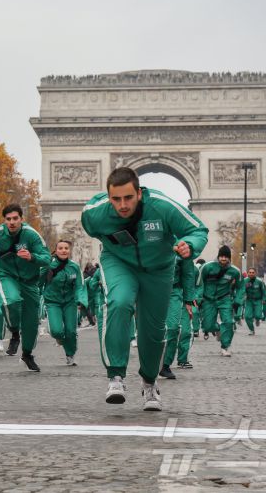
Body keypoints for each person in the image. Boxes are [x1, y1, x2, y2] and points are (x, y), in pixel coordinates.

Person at [81, 167, 208, 411]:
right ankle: (115, 376)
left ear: (139, 193)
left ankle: (149, 382)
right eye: (116, 199)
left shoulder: (163, 206)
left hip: (159, 270)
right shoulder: (95, 215)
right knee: (119, 302)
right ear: (108, 197)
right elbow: (87, 220)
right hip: (118, 263)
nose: (122, 205)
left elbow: (198, 229)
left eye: (128, 197)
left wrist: (189, 245)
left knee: (153, 329)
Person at [0, 204, 50, 372]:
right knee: (11, 301)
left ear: (22, 219)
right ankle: (14, 332)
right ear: (4, 220)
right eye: (8, 219)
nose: (12, 222)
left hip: (29, 281)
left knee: (31, 323)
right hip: (7, 275)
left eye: (15, 218)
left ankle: (27, 354)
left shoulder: (32, 235)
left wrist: (32, 256)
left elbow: (47, 259)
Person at [40, 240, 87, 366]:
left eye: (66, 248)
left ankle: (70, 354)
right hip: (52, 301)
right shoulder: (48, 265)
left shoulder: (74, 267)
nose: (63, 250)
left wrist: (81, 300)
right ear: (56, 250)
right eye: (60, 248)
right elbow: (38, 281)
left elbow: (80, 286)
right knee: (56, 331)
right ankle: (59, 338)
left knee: (71, 331)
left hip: (69, 302)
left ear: (69, 250)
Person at [198, 246, 241, 356]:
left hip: (224, 299)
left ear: (229, 258)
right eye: (221, 256)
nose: (223, 259)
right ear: (218, 256)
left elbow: (240, 287)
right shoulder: (207, 267)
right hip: (208, 300)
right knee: (207, 326)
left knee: (228, 322)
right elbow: (199, 283)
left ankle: (225, 347)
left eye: (226, 257)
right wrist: (199, 298)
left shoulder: (235, 271)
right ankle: (218, 329)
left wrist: (237, 300)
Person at [159, 254, 196, 380]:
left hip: (174, 292)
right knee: (150, 329)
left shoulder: (181, 250)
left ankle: (165, 365)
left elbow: (188, 275)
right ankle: (149, 363)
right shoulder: (150, 241)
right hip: (152, 289)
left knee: (173, 328)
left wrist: (188, 300)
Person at [239, 268, 266, 336]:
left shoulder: (260, 281)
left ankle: (258, 319)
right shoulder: (244, 281)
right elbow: (242, 290)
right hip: (249, 301)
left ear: (255, 273)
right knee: (247, 316)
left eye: (253, 272)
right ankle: (252, 330)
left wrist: (264, 299)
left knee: (258, 315)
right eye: (250, 272)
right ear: (248, 273)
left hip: (258, 300)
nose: (251, 274)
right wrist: (242, 297)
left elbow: (264, 291)